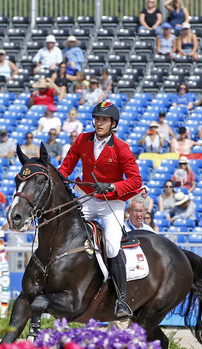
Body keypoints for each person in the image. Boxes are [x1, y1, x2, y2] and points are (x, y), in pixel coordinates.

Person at [58, 101, 143, 319]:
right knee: (66, 231)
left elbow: (135, 180)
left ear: (113, 123)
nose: (99, 123)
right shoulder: (82, 139)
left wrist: (114, 186)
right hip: (87, 198)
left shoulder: (121, 148)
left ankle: (122, 300)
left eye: (103, 120)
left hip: (111, 203)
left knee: (112, 245)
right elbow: (66, 167)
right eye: (97, 119)